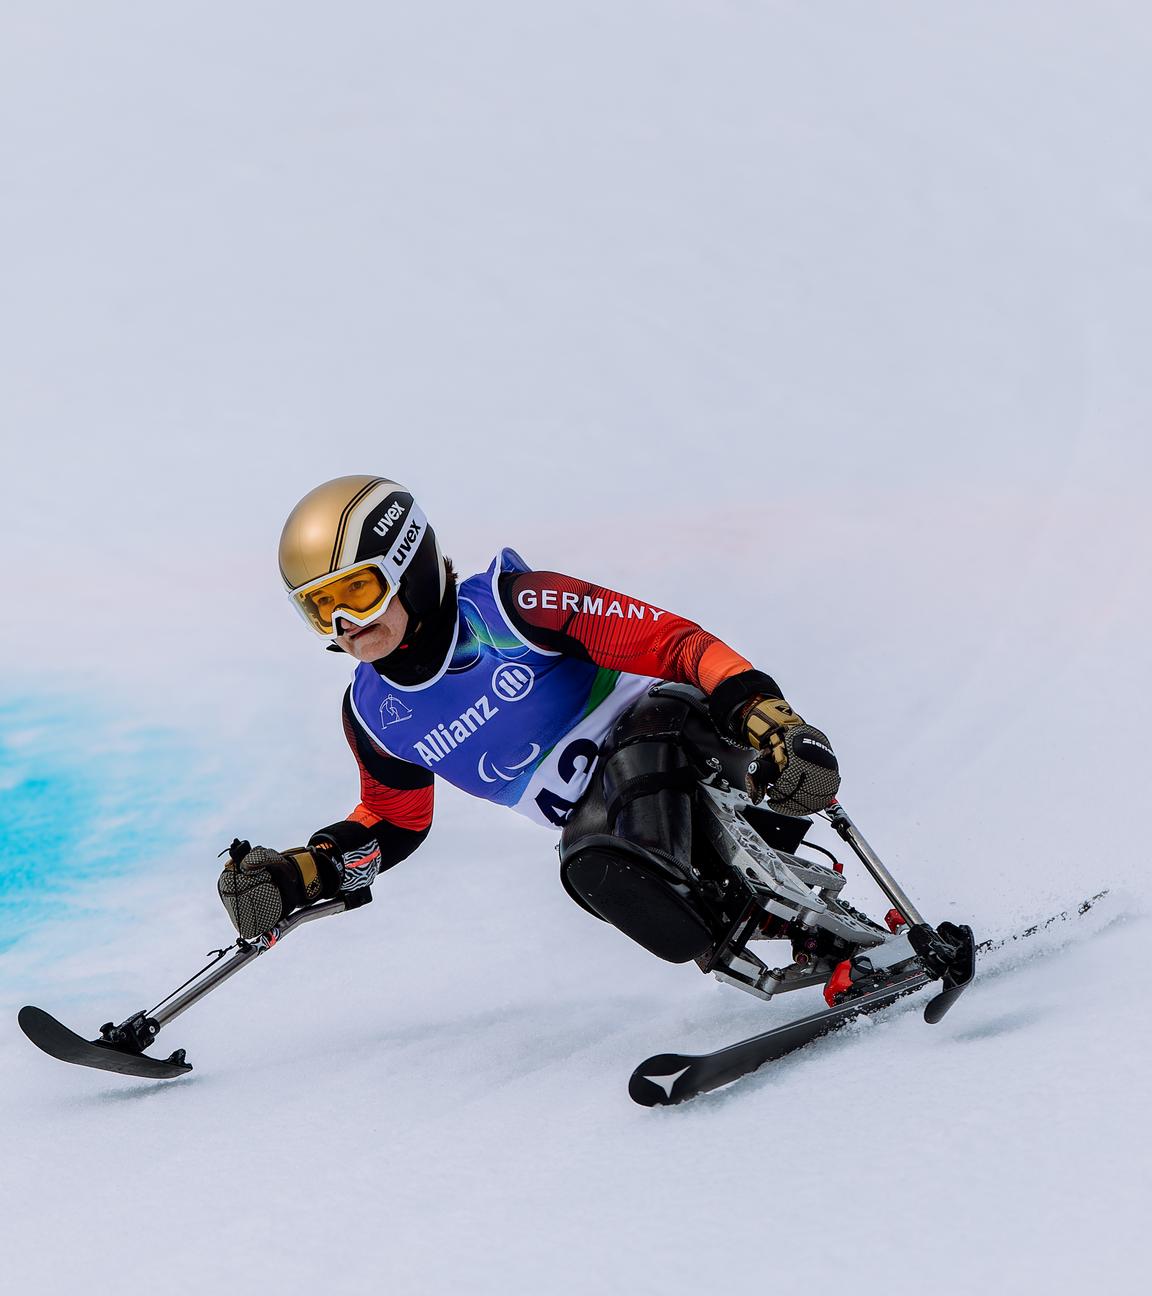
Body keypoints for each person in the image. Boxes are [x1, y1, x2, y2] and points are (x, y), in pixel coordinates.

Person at [218, 476, 841, 964]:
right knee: (594, 863)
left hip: (695, 747)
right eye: (320, 607)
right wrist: (308, 869)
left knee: (624, 810)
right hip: (623, 828)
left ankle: (786, 901)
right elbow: (394, 821)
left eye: (357, 592)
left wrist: (770, 718)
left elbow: (676, 644)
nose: (345, 625)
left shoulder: (513, 608)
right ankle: (807, 943)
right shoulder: (376, 714)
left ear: (408, 566)